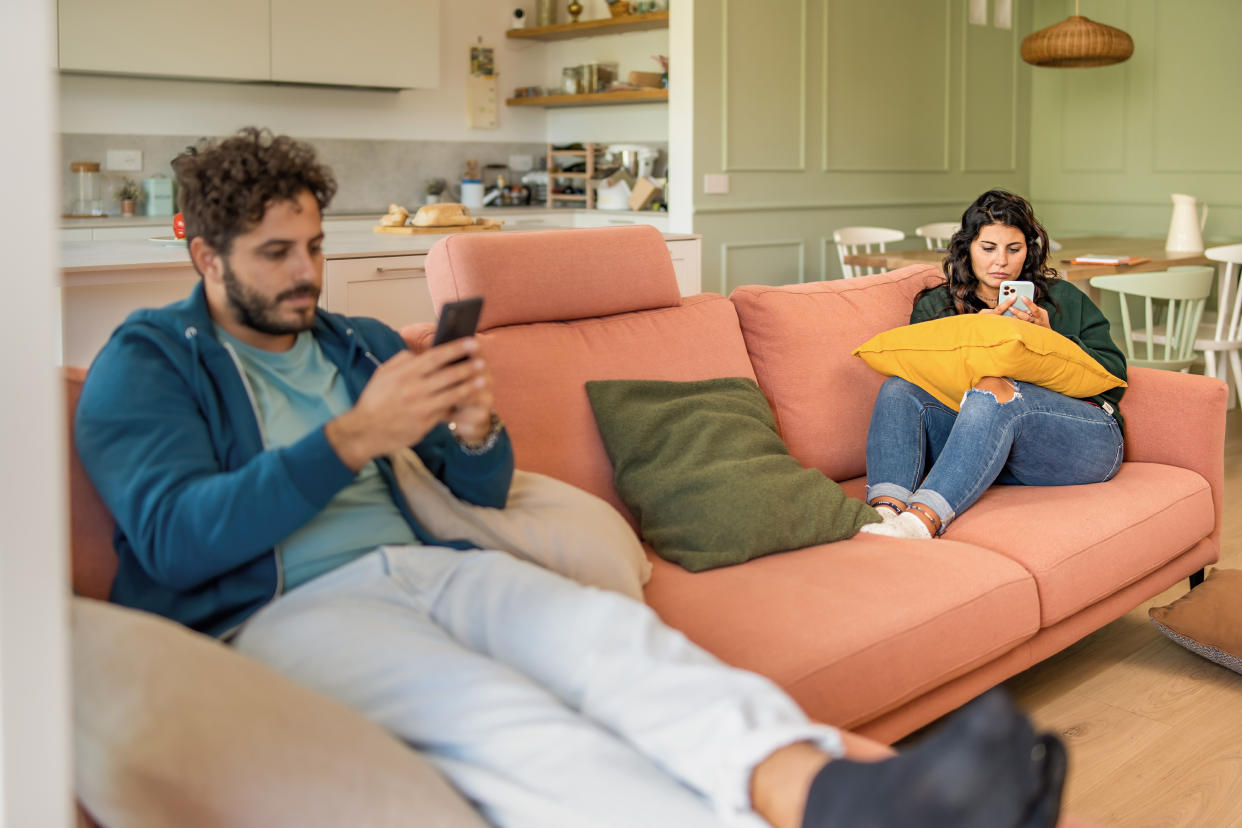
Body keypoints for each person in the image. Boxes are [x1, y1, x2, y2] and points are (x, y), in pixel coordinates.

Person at [75, 129, 1066, 828]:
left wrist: (472, 425)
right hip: (289, 609)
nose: (308, 274)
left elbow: (482, 483)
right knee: (495, 715)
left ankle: (833, 797)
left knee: (613, 640)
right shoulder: (149, 361)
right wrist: (349, 437)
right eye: (276, 254)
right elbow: (172, 538)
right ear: (203, 251)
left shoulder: (353, 341)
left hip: (433, 564)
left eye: (317, 246)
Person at [861, 189, 1127, 540]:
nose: (1000, 261)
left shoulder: (1064, 300)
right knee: (898, 389)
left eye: (1013, 249)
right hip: (981, 446)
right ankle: (884, 513)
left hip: (1082, 436)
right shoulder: (937, 306)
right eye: (988, 248)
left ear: (1028, 251)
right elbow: (921, 375)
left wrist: (1050, 340)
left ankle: (920, 523)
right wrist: (974, 334)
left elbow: (1114, 376)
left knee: (993, 387)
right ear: (967, 248)